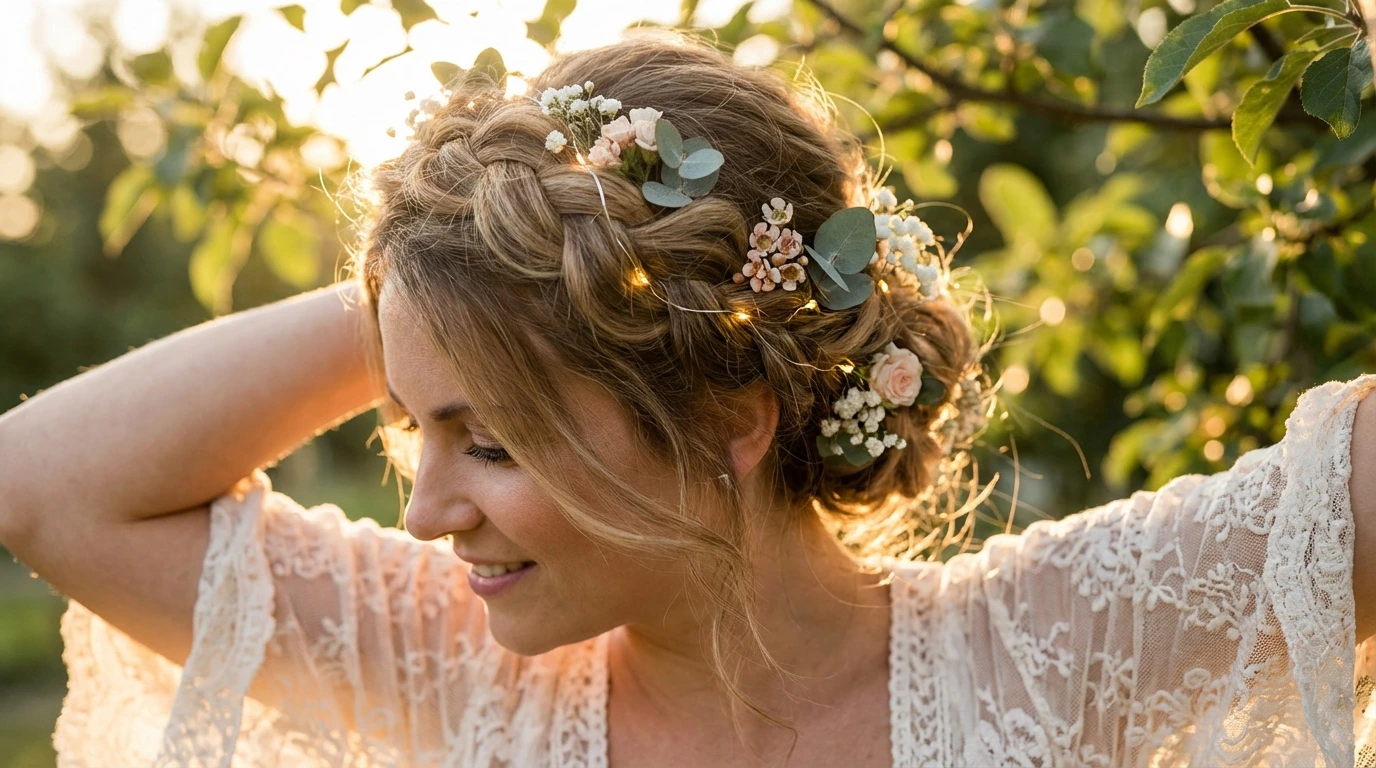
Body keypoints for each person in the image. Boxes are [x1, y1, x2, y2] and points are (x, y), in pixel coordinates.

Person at [1, 32, 1374, 768]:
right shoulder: (449, 674)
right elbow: (44, 485)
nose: (424, 513)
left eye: (486, 439)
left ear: (729, 412)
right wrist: (472, 266)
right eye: (412, 427)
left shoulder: (1070, 643)